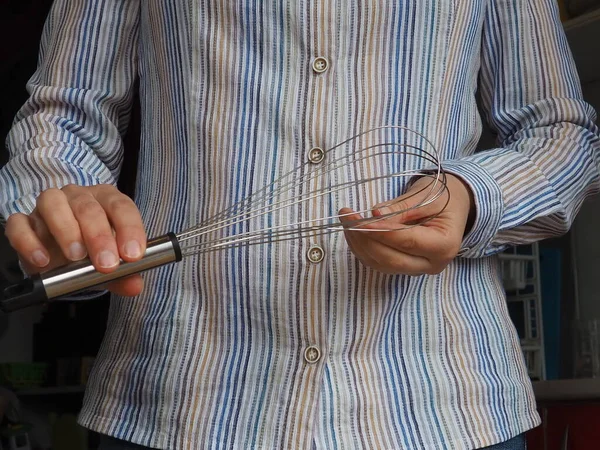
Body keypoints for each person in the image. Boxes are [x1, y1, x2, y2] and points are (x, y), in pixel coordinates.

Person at [1, 1, 599, 449]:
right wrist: (65, 203)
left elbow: (562, 133)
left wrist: (473, 196)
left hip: (444, 400)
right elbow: (65, 113)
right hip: (181, 399)